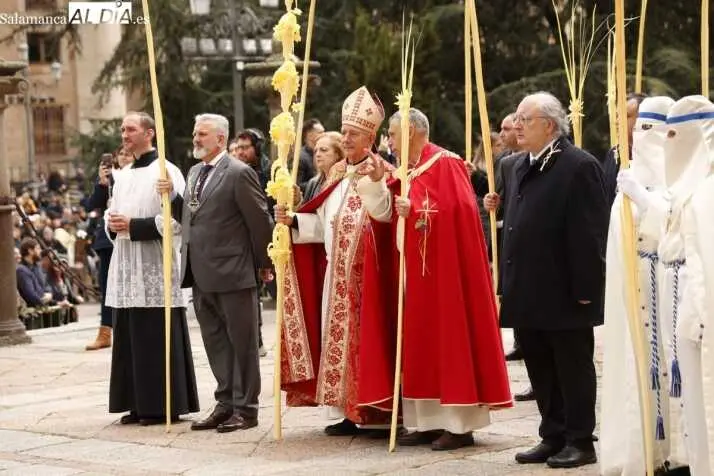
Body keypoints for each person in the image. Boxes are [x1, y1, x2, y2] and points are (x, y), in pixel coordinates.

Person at [356, 107, 513, 451]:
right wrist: (377, 183)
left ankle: (459, 425)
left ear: (411, 131)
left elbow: (462, 212)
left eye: (394, 135)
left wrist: (415, 210)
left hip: (445, 276)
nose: (390, 142)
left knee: (449, 341)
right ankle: (425, 421)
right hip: (413, 273)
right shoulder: (406, 170)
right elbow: (383, 213)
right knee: (419, 345)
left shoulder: (447, 163)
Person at [484, 92, 608, 468]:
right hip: (527, 284)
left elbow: (590, 232)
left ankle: (580, 439)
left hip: (565, 288)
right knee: (539, 365)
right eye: (517, 119)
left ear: (550, 125)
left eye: (525, 119)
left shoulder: (578, 165)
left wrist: (587, 288)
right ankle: (551, 434)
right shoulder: (519, 164)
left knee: (572, 367)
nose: (517, 126)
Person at [274, 86, 396, 435]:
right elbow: (322, 223)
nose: (346, 137)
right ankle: (345, 412)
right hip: (336, 275)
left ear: (370, 136)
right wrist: (293, 220)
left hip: (370, 277)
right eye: (344, 132)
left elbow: (387, 219)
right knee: (337, 343)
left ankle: (374, 409)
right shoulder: (337, 173)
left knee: (370, 344)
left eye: (353, 133)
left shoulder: (383, 170)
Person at [159, 113, 273, 433]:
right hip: (200, 271)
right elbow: (194, 214)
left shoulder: (238, 173)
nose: (196, 138)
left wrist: (264, 263)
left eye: (203, 134)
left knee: (242, 344)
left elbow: (259, 221)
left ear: (220, 139)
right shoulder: (194, 171)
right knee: (216, 343)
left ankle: (246, 408)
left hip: (234, 272)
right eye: (195, 133)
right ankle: (226, 402)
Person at [620, 96, 714, 476]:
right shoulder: (686, 185)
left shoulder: (706, 189)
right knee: (688, 390)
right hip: (678, 293)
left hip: (698, 298)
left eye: (678, 134)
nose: (668, 142)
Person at [599, 96, 682, 475]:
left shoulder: (684, 179)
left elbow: (678, 227)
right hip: (636, 298)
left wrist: (646, 200)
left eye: (651, 129)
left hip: (672, 296)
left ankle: (679, 450)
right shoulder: (627, 180)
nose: (642, 137)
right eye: (639, 128)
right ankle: (646, 448)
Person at [105, 111, 199, 425]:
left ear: (150, 133)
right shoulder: (124, 174)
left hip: (155, 266)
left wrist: (135, 225)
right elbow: (113, 213)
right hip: (128, 266)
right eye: (122, 129)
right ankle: (136, 402)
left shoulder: (167, 171)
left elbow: (178, 219)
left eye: (130, 129)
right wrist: (113, 224)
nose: (124, 135)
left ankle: (162, 404)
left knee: (155, 336)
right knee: (130, 335)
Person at [84, 147, 134, 351]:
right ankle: (105, 332)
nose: (123, 157)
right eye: (120, 154)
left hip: (130, 236)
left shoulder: (136, 178)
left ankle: (129, 329)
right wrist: (102, 184)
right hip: (107, 239)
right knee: (107, 286)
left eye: (127, 154)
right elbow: (91, 205)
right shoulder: (110, 181)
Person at [601, 93, 648, 205]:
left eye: (626, 116)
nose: (617, 122)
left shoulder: (654, 156)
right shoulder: (613, 154)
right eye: (617, 116)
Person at [301, 131, 345, 203]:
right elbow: (304, 212)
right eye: (315, 151)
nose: (317, 154)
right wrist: (297, 202)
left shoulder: (346, 181)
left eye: (323, 150)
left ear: (337, 154)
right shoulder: (313, 182)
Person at [16, 238, 54, 308]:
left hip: (43, 306)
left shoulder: (37, 267)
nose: (40, 251)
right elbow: (30, 295)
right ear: (30, 251)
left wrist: (49, 294)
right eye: (38, 248)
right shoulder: (21, 270)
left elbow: (46, 284)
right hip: (32, 312)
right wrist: (44, 301)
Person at [296, 118, 324, 192]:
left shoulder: (324, 154)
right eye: (320, 132)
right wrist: (321, 183)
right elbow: (296, 185)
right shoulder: (300, 158)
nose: (324, 135)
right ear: (310, 135)